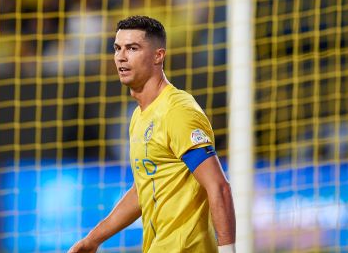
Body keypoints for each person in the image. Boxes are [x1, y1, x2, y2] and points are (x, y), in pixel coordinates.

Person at [68, 16, 236, 253]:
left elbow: (219, 187)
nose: (121, 57)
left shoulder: (178, 112)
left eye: (132, 48)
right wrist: (94, 239)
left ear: (158, 56)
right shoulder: (140, 116)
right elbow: (144, 188)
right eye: (117, 48)